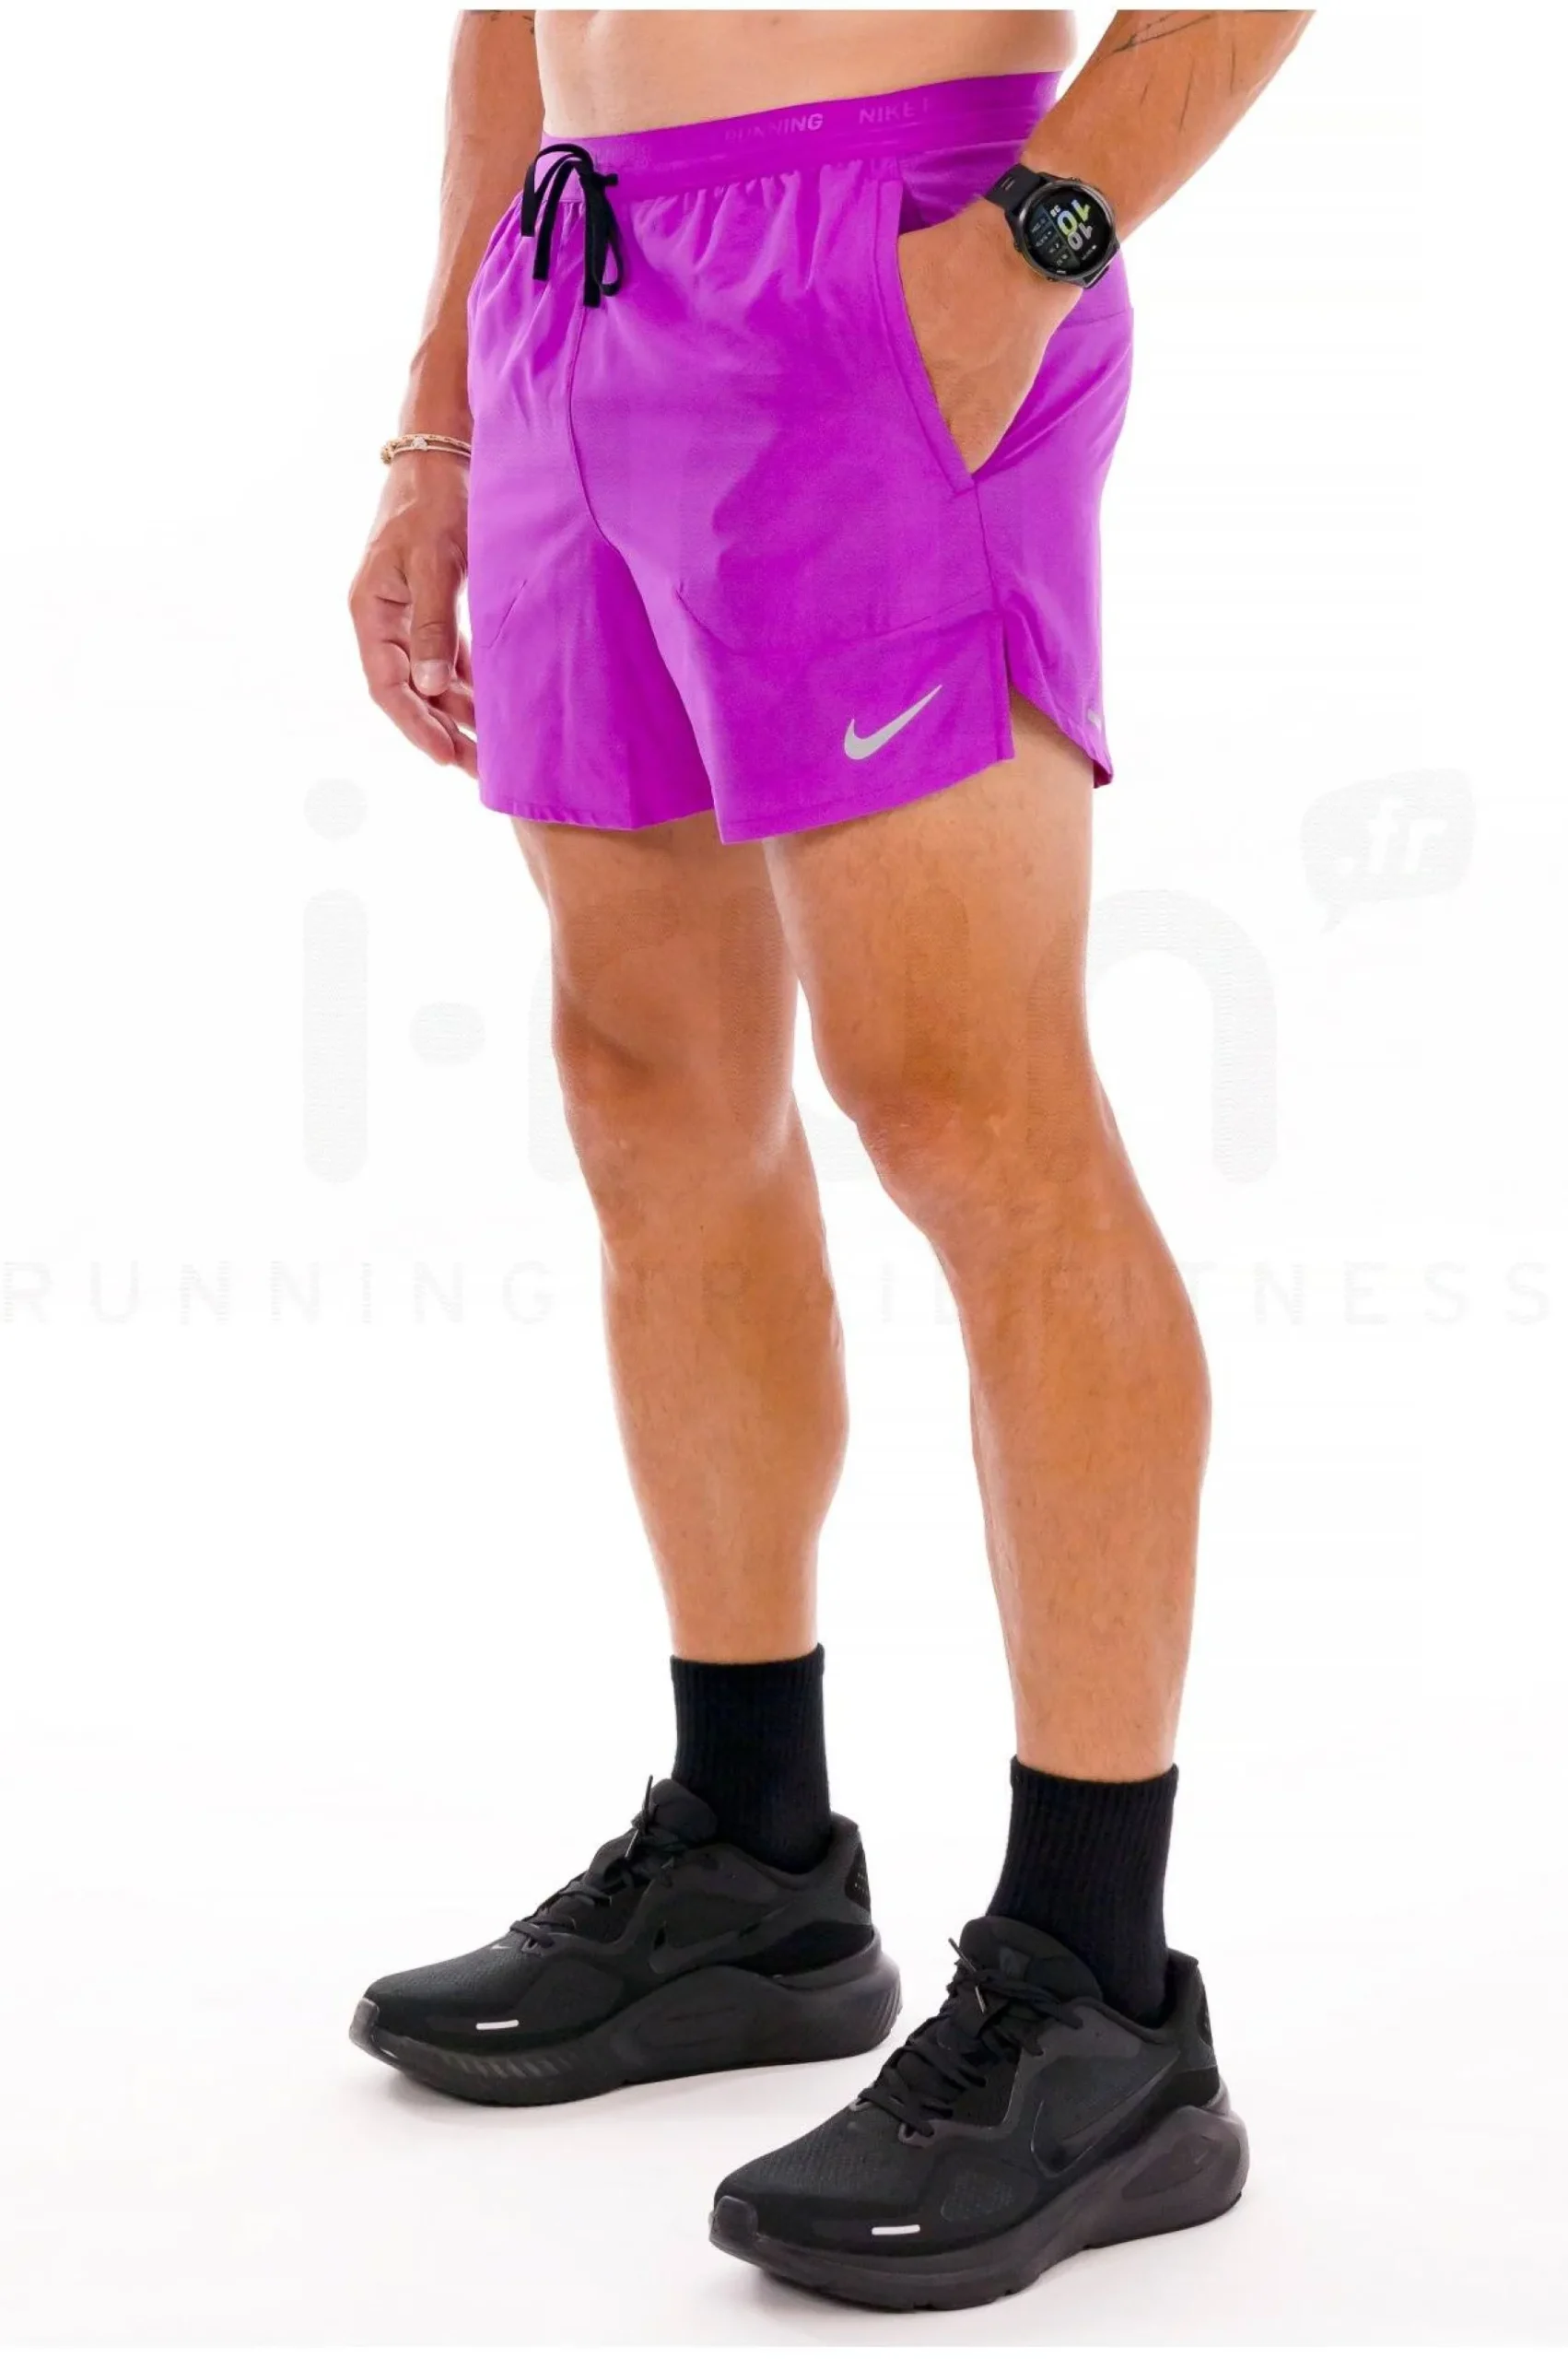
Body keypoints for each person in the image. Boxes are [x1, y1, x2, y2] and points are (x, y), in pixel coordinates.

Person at [347, 7, 1309, 2311]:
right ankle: (750, 1861)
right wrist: (440, 412)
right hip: (576, 280)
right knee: (646, 1086)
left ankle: (1097, 1991)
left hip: (880, 261)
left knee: (966, 1105)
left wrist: (1032, 245)